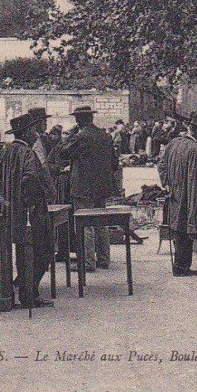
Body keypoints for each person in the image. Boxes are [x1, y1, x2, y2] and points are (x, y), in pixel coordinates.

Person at [0, 112, 53, 308]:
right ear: (28, 132)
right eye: (34, 130)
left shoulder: (4, 152)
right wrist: (33, 202)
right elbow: (30, 180)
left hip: (7, 211)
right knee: (42, 252)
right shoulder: (27, 153)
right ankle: (30, 294)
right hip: (28, 212)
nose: (37, 133)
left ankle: (19, 291)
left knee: (21, 251)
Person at [60, 105, 119, 272]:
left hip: (83, 187)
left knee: (85, 224)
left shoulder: (80, 137)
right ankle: (104, 259)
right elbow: (114, 163)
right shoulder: (105, 136)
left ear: (78, 120)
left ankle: (87, 262)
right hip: (103, 186)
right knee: (101, 222)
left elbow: (63, 153)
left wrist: (70, 135)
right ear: (92, 118)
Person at [158, 120, 197, 277]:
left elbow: (161, 166)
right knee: (186, 231)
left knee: (177, 229)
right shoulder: (196, 150)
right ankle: (182, 268)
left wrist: (166, 184)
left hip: (174, 195)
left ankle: (179, 266)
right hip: (189, 197)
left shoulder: (173, 144)